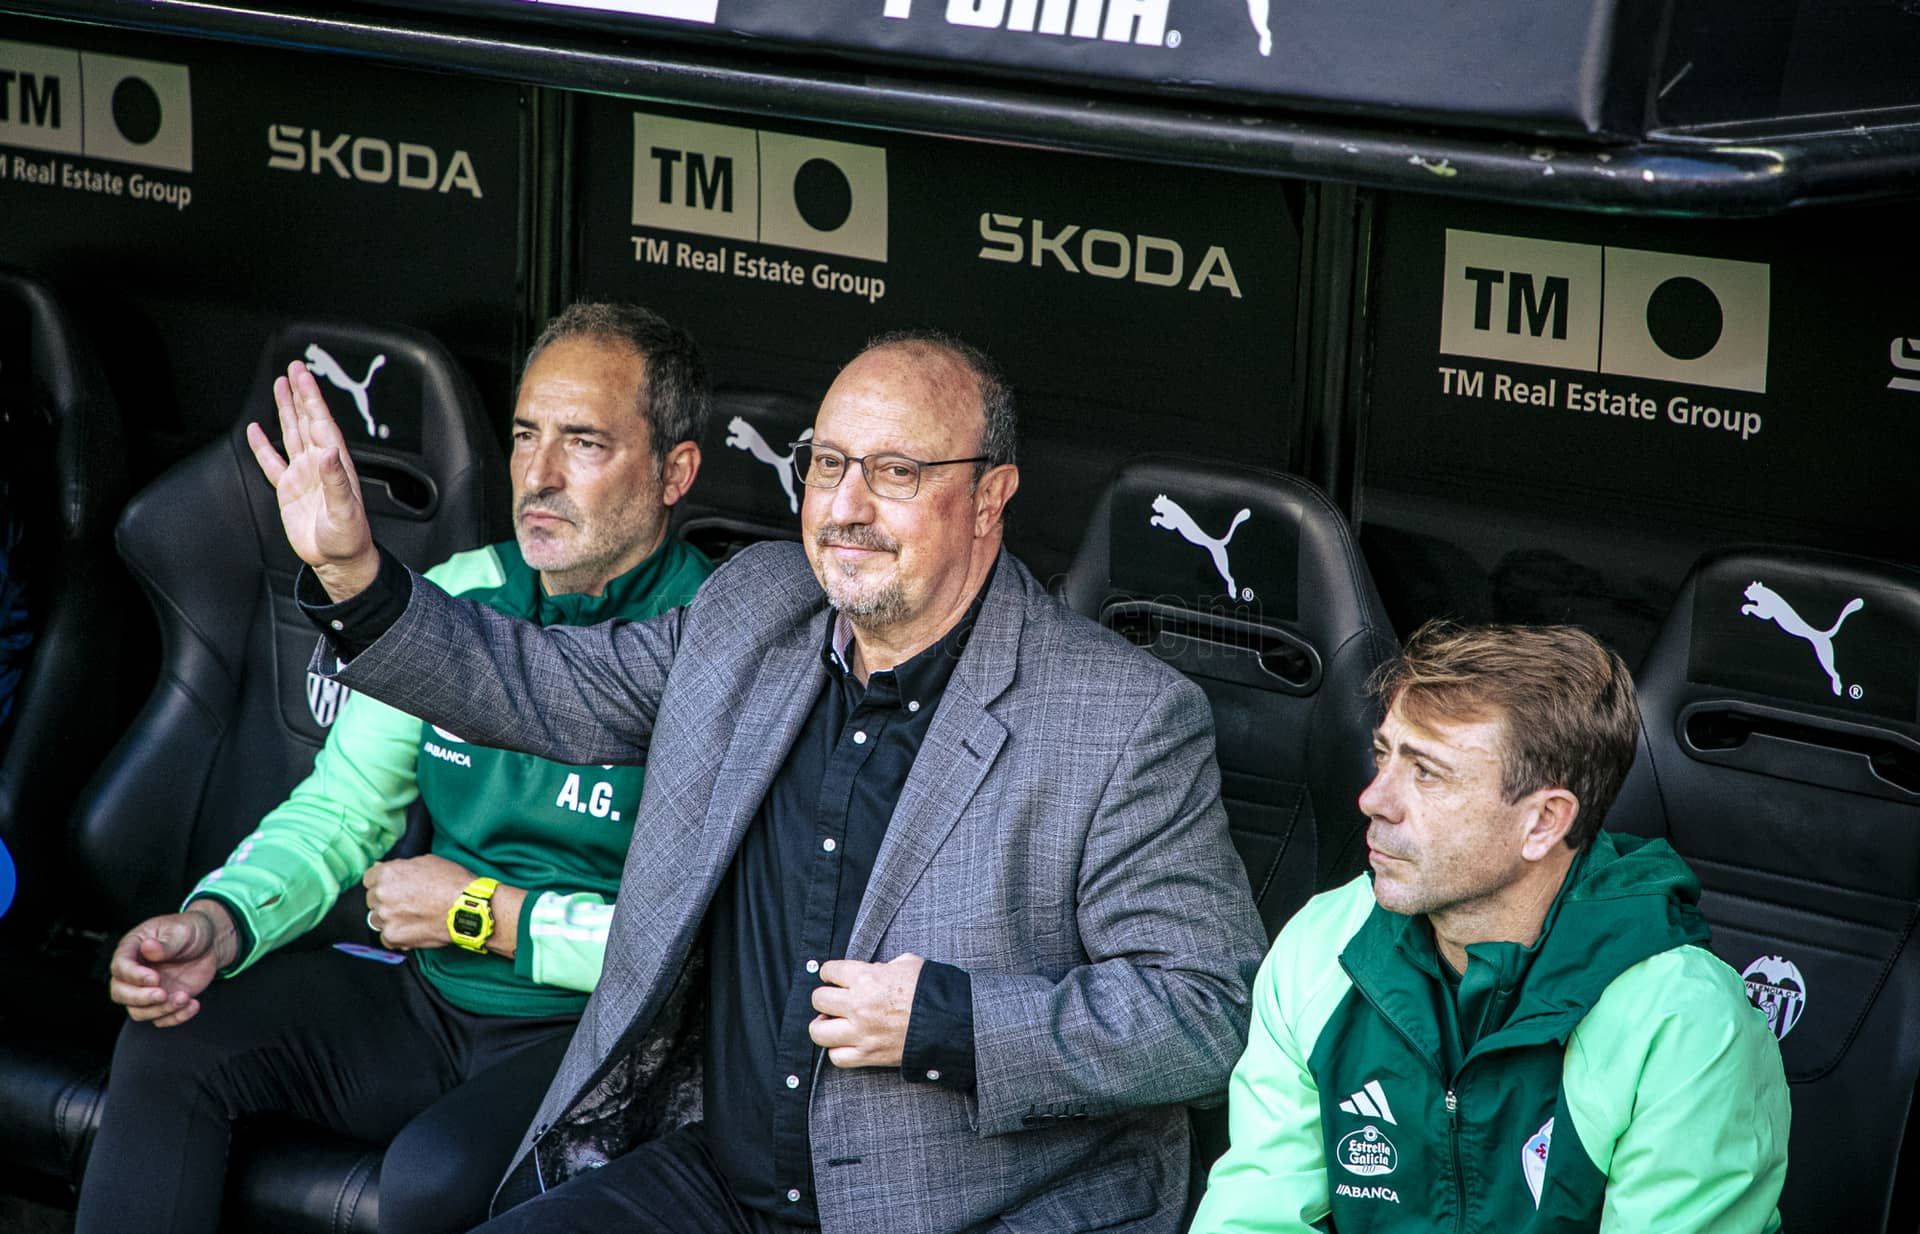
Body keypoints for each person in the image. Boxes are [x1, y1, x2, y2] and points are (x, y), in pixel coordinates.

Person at [255, 327, 1268, 1232]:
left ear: (991, 497)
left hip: (961, 1205)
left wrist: (947, 1024)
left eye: (898, 472)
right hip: (717, 1177)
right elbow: (543, 686)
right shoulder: (756, 611)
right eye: (828, 464)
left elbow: (1206, 1010)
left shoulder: (1121, 717)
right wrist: (356, 576)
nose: (848, 506)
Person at [79, 303, 716, 1234]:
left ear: (675, 472)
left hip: (602, 1042)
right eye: (527, 435)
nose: (538, 476)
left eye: (584, 443)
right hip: (432, 1002)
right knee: (174, 1038)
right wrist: (223, 920)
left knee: (431, 1182)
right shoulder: (460, 597)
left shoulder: (718, 645)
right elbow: (341, 816)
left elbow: (695, 944)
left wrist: (477, 913)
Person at [1190, 622, 1790, 1233]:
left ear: (1543, 823)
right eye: (1383, 755)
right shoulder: (1325, 946)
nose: (1374, 798)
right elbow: (1252, 1220)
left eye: (1427, 773)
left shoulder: (1682, 1020)